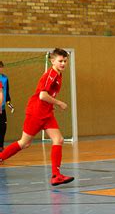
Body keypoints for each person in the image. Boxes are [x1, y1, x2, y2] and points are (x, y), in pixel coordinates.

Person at [0, 48, 74, 186]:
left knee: (58, 139)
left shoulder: (58, 74)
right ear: (52, 61)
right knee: (24, 143)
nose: (63, 63)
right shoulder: (50, 75)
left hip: (47, 113)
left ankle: (56, 175)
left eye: (65, 61)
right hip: (36, 112)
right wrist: (59, 103)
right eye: (60, 61)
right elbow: (42, 95)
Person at [0, 61, 14, 151]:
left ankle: (1, 146)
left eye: (1, 67)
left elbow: (6, 94)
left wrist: (9, 104)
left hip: (3, 107)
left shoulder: (5, 78)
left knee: (3, 127)